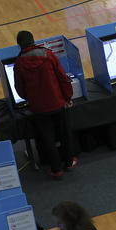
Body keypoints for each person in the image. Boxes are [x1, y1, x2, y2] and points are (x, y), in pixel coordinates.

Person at [13, 30, 77, 180]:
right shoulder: (48, 55)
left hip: (38, 108)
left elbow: (19, 88)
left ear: (19, 45)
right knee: (64, 134)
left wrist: (30, 98)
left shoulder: (19, 63)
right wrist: (68, 97)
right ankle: (69, 162)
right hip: (57, 102)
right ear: (33, 40)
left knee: (48, 139)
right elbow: (62, 78)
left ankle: (56, 170)